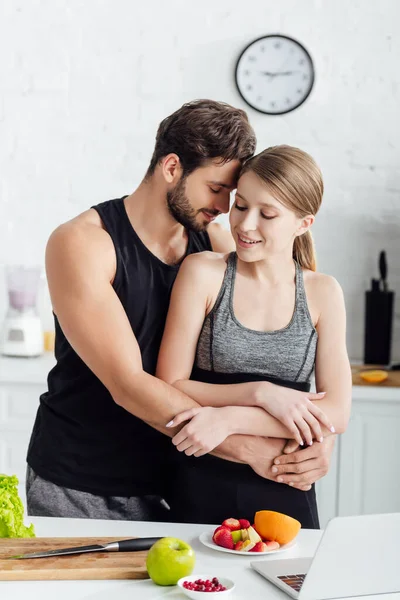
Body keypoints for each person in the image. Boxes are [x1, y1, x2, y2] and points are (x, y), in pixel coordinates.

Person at [26, 100, 336, 521]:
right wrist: (251, 449)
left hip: (182, 480)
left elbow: (263, 360)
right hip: (86, 483)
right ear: (172, 167)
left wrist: (315, 440)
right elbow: (129, 384)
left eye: (234, 193)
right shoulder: (83, 244)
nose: (228, 209)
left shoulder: (215, 242)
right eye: (216, 189)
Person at [156, 145, 352, 528]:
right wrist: (261, 393)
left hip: (287, 487)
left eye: (268, 214)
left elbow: (336, 413)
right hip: (200, 482)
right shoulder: (203, 273)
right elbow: (171, 383)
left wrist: (228, 418)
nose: (245, 225)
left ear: (303, 223)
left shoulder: (323, 293)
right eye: (241, 206)